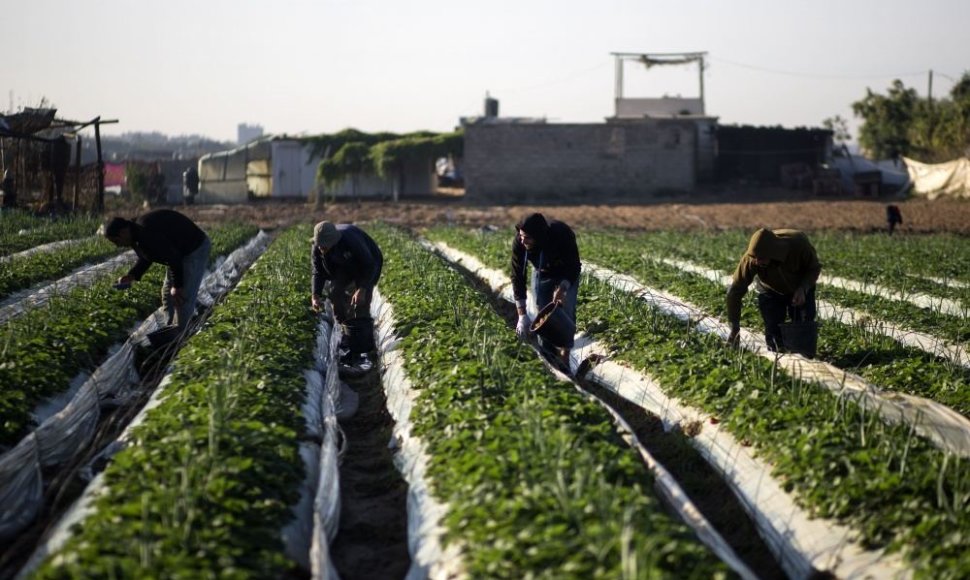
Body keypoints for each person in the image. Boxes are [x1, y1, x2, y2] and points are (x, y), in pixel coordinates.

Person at [103, 209, 211, 333]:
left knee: (182, 298)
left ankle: (181, 336)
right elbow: (147, 256)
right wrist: (132, 275)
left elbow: (173, 257)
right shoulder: (135, 233)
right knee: (167, 294)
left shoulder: (145, 231)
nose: (117, 245)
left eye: (116, 241)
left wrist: (178, 286)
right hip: (178, 253)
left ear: (122, 232)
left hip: (194, 249)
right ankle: (169, 329)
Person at [726, 228, 821, 356]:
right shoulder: (751, 259)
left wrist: (803, 288)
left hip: (800, 287)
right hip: (770, 290)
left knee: (803, 330)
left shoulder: (798, 245)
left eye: (762, 258)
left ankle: (805, 362)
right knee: (774, 337)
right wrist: (734, 328)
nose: (758, 261)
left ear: (774, 253)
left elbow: (813, 268)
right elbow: (735, 291)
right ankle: (781, 368)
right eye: (755, 258)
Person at [310, 221, 383, 366]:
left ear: (333, 241)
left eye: (324, 245)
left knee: (361, 303)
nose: (321, 248)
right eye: (319, 245)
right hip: (343, 266)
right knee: (335, 293)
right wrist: (315, 295)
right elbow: (318, 272)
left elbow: (369, 265)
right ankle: (346, 332)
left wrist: (361, 289)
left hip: (367, 263)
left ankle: (364, 348)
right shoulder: (318, 248)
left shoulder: (350, 240)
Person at [511, 212, 581, 362]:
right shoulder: (520, 243)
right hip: (542, 272)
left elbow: (574, 266)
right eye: (521, 236)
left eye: (527, 237)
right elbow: (517, 276)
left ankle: (565, 356)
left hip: (565, 272)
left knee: (566, 309)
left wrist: (563, 288)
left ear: (538, 236)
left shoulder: (562, 234)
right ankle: (547, 355)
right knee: (541, 310)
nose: (523, 241)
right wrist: (522, 315)